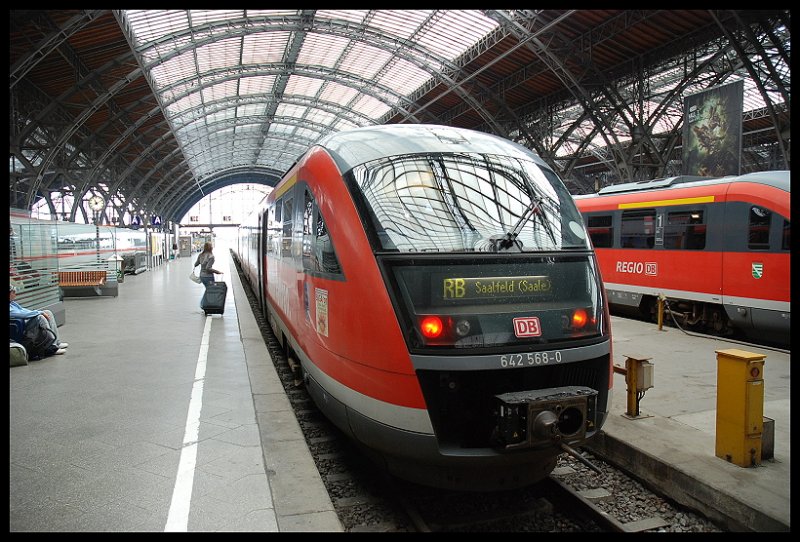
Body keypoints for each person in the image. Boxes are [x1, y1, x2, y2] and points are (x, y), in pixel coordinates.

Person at [10, 282, 67, 357]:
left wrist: (39, 312)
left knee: (47, 312)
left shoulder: (12, 303)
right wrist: (39, 313)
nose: (15, 294)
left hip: (21, 324)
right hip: (17, 328)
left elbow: (24, 310)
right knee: (40, 317)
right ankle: (51, 347)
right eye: (13, 292)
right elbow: (23, 314)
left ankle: (56, 343)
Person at [193, 242, 223, 307]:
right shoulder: (211, 256)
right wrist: (217, 272)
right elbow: (208, 268)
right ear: (210, 248)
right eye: (211, 246)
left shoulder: (201, 255)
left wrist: (201, 262)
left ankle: (206, 304)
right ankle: (203, 304)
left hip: (202, 276)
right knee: (209, 290)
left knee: (208, 290)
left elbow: (196, 264)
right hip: (208, 276)